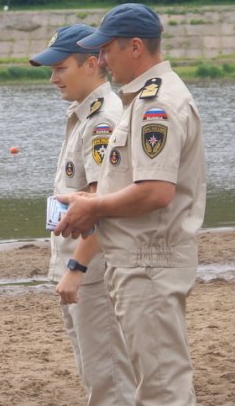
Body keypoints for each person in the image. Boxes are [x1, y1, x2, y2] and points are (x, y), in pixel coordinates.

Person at [54, 3, 207, 406]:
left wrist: (94, 208)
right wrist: (89, 199)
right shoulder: (141, 100)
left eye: (107, 49)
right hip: (140, 261)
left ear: (135, 46)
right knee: (155, 382)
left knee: (161, 389)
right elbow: (133, 182)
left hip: (149, 262)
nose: (101, 59)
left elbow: (156, 191)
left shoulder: (157, 104)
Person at [29, 24, 135, 405]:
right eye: (51, 70)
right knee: (98, 375)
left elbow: (100, 204)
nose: (53, 78)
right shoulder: (83, 114)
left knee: (110, 381)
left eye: (60, 68)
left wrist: (77, 269)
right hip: (79, 267)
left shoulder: (102, 120)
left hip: (93, 270)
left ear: (92, 63)